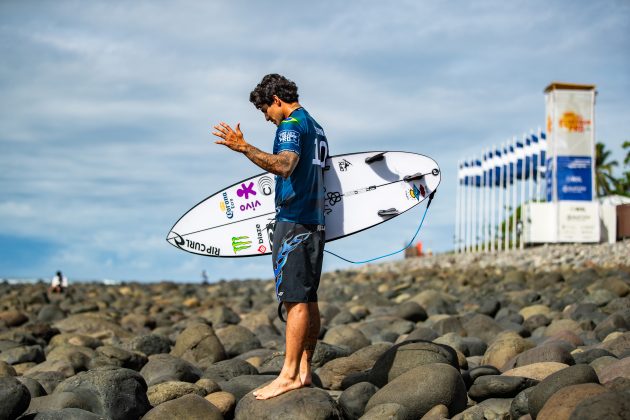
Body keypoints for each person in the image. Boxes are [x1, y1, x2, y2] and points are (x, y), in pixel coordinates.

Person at [212, 74, 328, 400]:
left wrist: (243, 147)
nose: (265, 117)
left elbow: (285, 165)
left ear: (277, 99)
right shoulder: (316, 126)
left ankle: (289, 374)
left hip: (294, 222)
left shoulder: (291, 126)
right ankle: (304, 369)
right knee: (308, 298)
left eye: (265, 109)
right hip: (315, 222)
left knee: (295, 300)